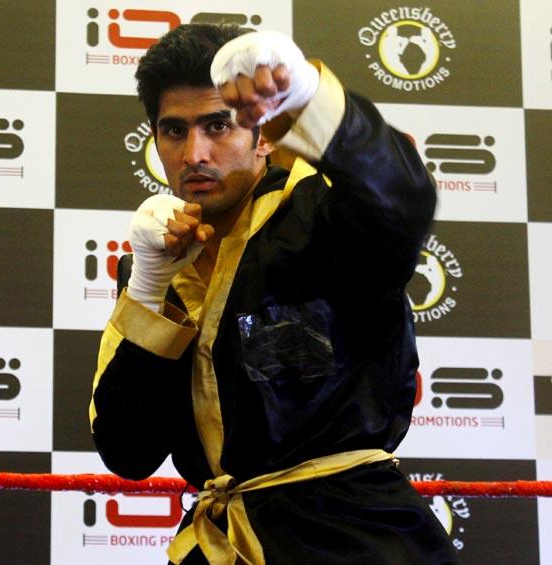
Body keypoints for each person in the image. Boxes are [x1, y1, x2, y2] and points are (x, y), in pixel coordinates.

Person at [89, 23, 459, 565]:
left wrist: (305, 96)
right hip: (220, 542)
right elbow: (128, 448)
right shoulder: (158, 258)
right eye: (174, 131)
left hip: (353, 539)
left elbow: (401, 198)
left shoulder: (324, 216)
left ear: (262, 133)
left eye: (218, 125)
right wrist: (149, 284)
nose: (194, 152)